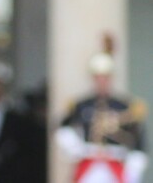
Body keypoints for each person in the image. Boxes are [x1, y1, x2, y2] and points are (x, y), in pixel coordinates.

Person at [56, 35, 148, 183]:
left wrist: (133, 171)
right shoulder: (82, 105)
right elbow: (63, 129)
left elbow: (138, 140)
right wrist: (78, 149)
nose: (102, 82)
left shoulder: (124, 106)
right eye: (98, 78)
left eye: (105, 78)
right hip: (89, 164)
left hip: (115, 165)